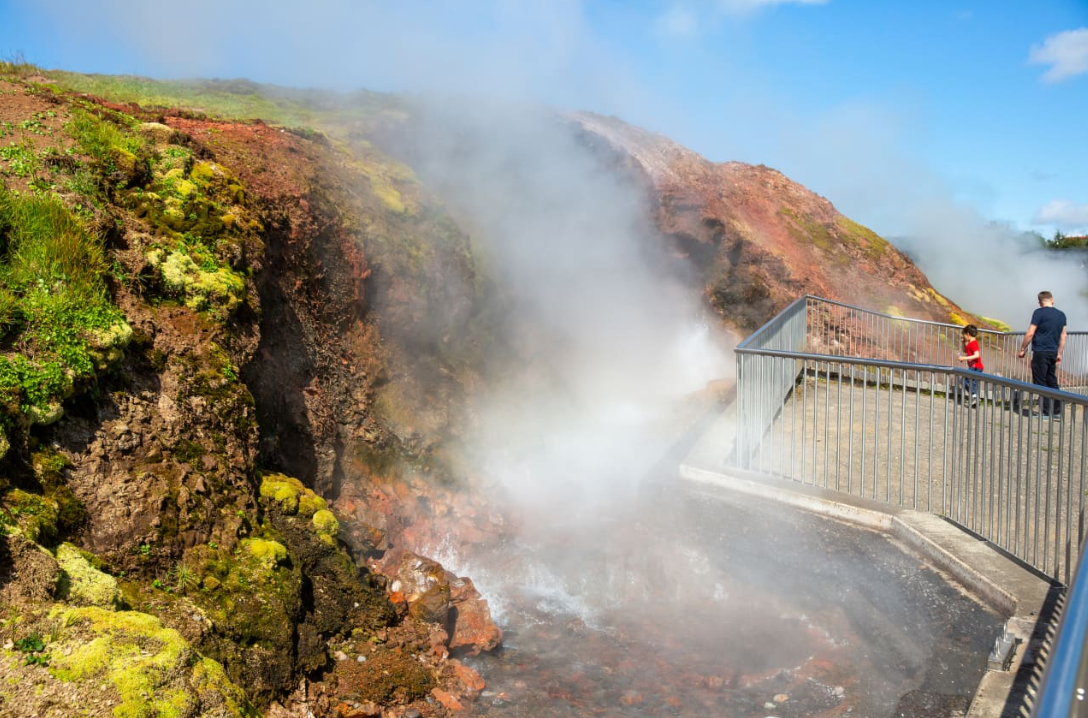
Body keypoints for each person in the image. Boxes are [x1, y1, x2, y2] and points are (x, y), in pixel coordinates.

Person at [1018, 290, 1067, 419]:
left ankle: (1046, 412)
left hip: (1040, 352)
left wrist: (1023, 348)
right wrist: (1059, 353)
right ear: (1052, 300)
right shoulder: (1061, 315)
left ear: (1040, 303)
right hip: (1053, 352)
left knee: (1040, 382)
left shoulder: (1038, 313)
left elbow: (1030, 333)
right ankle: (1057, 411)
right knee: (1052, 381)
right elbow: (1063, 336)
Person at [958, 324, 984, 406]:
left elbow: (977, 355)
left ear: (968, 334)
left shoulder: (973, 343)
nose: (964, 337)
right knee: (969, 382)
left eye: (964, 335)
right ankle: (974, 397)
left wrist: (964, 358)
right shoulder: (970, 343)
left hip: (976, 367)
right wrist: (963, 343)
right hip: (974, 367)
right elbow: (965, 350)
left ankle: (975, 397)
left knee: (966, 381)